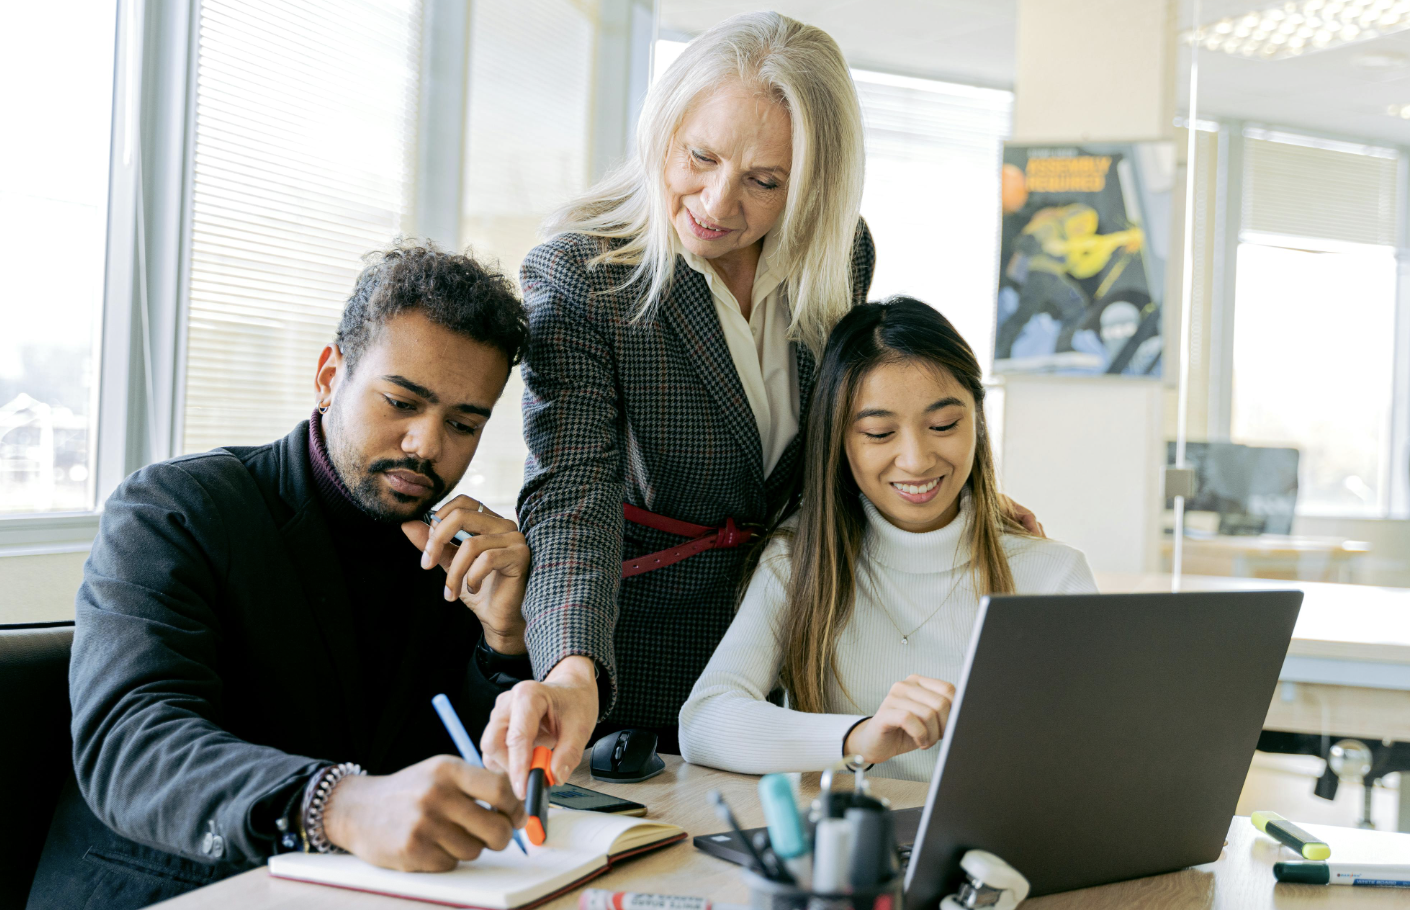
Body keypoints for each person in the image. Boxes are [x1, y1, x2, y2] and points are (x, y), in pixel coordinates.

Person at [28, 244, 534, 910]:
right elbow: (132, 744)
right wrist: (342, 804)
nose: (427, 445)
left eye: (464, 423)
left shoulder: (448, 555)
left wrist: (502, 638)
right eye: (402, 402)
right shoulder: (174, 509)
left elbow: (451, 773)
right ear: (329, 376)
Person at [677, 298, 1098, 782]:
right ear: (838, 438)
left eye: (943, 426)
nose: (916, 460)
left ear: (977, 421)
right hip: (847, 848)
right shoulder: (798, 562)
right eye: (879, 433)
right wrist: (858, 737)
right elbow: (704, 721)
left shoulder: (1052, 573)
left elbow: (1102, 758)